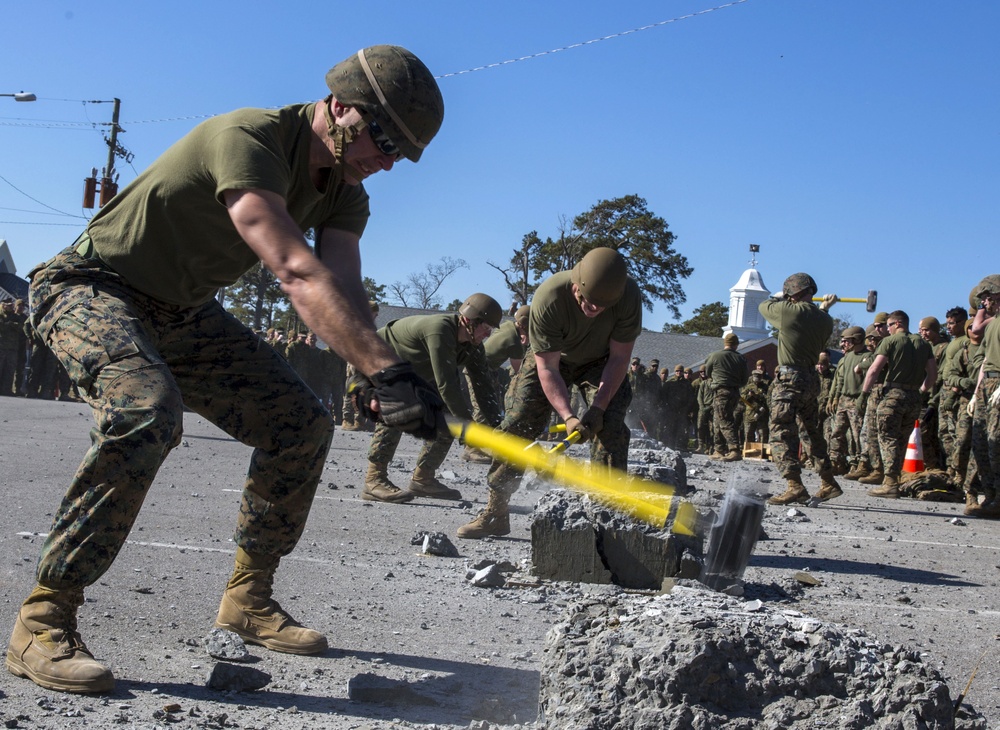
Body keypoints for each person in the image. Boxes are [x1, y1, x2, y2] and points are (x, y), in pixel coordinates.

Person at [6, 45, 446, 694]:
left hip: (180, 312)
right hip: (91, 286)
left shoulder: (344, 194)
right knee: (144, 416)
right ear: (341, 106)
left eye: (401, 154)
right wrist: (384, 369)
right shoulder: (252, 138)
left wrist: (379, 376)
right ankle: (43, 620)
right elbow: (294, 271)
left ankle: (248, 601)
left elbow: (344, 288)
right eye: (383, 138)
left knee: (300, 424)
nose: (386, 160)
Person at [457, 248, 641, 539]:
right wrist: (568, 416)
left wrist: (597, 410)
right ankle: (496, 511)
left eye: (603, 305)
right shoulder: (549, 297)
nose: (594, 309)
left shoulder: (628, 296)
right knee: (517, 423)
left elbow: (620, 359)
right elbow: (548, 368)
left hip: (602, 360)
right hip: (554, 359)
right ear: (577, 285)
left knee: (612, 427)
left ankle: (610, 520)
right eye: (588, 301)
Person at [363, 294, 502, 503]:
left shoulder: (473, 346)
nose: (488, 334)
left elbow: (484, 388)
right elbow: (447, 384)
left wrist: (500, 428)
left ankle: (423, 478)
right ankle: (374, 479)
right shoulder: (441, 330)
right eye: (486, 328)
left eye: (491, 330)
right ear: (469, 321)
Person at [759, 273, 843, 504]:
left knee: (781, 431)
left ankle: (794, 485)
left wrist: (778, 297)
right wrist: (824, 307)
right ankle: (828, 481)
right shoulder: (825, 320)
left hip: (789, 379)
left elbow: (764, 306)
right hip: (810, 379)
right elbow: (815, 316)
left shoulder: (789, 311)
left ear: (791, 294)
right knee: (811, 432)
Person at [859, 310, 936, 498]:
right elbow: (933, 375)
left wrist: (864, 394)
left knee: (887, 437)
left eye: (889, 326)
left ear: (897, 324)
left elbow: (874, 369)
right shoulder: (923, 344)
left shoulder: (890, 341)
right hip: (914, 398)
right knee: (902, 439)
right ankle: (896, 479)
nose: (888, 329)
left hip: (893, 394)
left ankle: (890, 482)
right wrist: (921, 391)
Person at [827, 327, 872, 475]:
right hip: (843, 400)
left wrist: (862, 398)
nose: (844, 343)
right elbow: (840, 379)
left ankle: (859, 464)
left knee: (857, 435)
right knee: (837, 432)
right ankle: (836, 461)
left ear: (857, 339)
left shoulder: (868, 356)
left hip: (857, 399)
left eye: (847, 340)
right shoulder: (845, 358)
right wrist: (835, 398)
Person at [703, 333, 748, 461]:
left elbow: (707, 372)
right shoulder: (741, 359)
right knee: (718, 419)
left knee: (725, 421)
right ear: (736, 344)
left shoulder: (715, 356)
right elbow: (744, 379)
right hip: (734, 393)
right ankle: (719, 449)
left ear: (725, 343)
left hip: (721, 392)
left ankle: (734, 450)